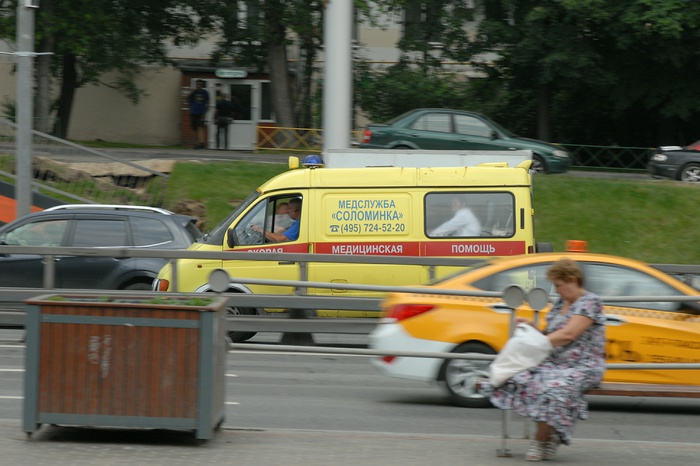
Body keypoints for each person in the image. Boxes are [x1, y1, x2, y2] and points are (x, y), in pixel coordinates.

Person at [481, 258, 606, 462]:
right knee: (523, 379)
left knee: (554, 388)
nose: (556, 291)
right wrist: (531, 327)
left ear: (572, 279)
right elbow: (549, 334)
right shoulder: (561, 303)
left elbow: (568, 335)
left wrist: (538, 343)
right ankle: (552, 436)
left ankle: (539, 441)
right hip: (555, 362)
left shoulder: (590, 302)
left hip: (584, 365)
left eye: (558, 285)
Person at [188, 80, 210, 149]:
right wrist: (193, 91)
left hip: (201, 112)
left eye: (200, 85)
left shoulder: (205, 92)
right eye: (198, 84)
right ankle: (198, 142)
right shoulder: (193, 93)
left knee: (200, 127)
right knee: (194, 127)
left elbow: (207, 102)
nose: (199, 86)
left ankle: (201, 143)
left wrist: (205, 112)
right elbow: (186, 98)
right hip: (194, 112)